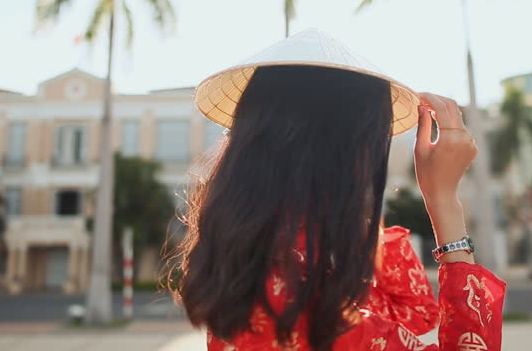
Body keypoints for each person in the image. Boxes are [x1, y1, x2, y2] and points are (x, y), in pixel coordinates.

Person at [174, 30, 505, 350]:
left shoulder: (262, 270)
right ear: (348, 156)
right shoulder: (312, 313)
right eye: (372, 144)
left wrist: (353, 215)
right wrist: (444, 201)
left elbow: (414, 314)